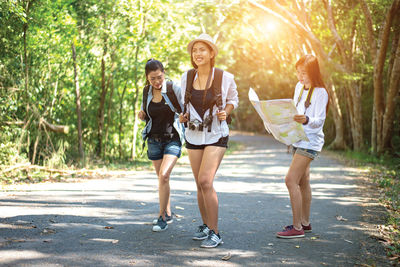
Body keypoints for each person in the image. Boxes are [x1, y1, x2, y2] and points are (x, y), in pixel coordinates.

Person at [179, 33, 239, 248]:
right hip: (194, 133)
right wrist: (182, 116)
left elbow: (233, 99)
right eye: (194, 50)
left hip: (216, 133)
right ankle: (205, 226)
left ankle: (215, 232)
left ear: (212, 53)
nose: (197, 54)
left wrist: (226, 111)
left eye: (202, 49)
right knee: (199, 183)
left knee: (206, 181)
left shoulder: (225, 77)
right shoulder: (186, 77)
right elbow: (182, 104)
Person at [276, 54, 329, 238]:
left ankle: (296, 227)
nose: (300, 76)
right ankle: (305, 223)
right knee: (303, 181)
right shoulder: (299, 87)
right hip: (298, 139)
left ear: (313, 73)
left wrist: (306, 119)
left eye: (304, 73)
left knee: (290, 180)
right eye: (298, 72)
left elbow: (319, 121)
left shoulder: (321, 92)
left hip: (310, 142)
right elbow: (294, 112)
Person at [138, 59, 185, 232]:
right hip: (153, 140)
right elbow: (149, 115)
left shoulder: (174, 89)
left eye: (159, 77)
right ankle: (168, 212)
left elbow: (186, 110)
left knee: (164, 175)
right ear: (147, 78)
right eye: (152, 79)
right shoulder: (146, 91)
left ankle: (161, 217)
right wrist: (142, 115)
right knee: (162, 179)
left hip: (172, 138)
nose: (157, 82)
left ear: (164, 73)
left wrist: (183, 117)